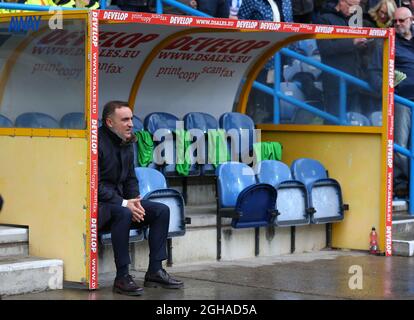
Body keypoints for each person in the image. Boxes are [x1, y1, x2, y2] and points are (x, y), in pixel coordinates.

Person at [98, 101, 183, 296]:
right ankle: (122, 277)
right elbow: (95, 186)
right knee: (123, 212)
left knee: (161, 210)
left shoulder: (127, 140)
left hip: (121, 202)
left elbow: (130, 178)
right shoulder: (97, 143)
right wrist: (125, 203)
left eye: (131, 119)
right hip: (99, 207)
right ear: (110, 122)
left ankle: (155, 270)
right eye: (125, 120)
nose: (130, 124)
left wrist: (134, 200)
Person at [315, 0, 369, 119]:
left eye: (356, 7)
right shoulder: (324, 19)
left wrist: (363, 45)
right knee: (334, 122)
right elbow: (325, 48)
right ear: (341, 2)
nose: (353, 10)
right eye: (350, 6)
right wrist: (352, 42)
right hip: (335, 83)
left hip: (355, 81)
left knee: (353, 121)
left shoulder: (355, 19)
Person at [392, 7, 414, 196]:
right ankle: (402, 184)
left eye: (402, 21)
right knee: (400, 144)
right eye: (395, 21)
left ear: (411, 20)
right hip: (402, 99)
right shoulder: (391, 41)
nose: (398, 24)